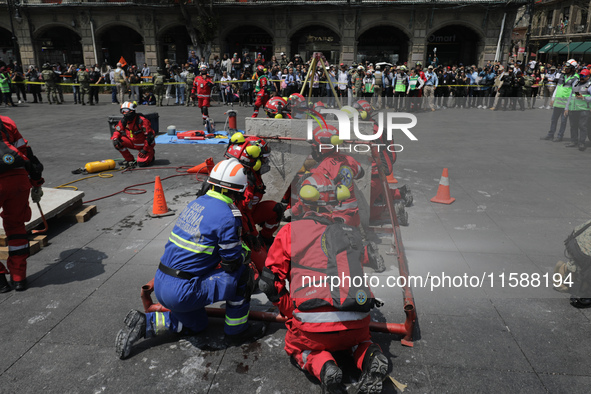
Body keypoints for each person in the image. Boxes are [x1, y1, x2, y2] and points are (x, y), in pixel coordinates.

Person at [115, 158, 265, 359]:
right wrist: (245, 251)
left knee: (199, 325)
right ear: (238, 190)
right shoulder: (228, 215)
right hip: (183, 291)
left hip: (162, 283)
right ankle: (237, 332)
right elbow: (231, 262)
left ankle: (145, 324)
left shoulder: (196, 203)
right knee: (242, 275)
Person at [260, 174, 389, 394]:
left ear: (303, 202)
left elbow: (269, 284)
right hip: (356, 320)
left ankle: (323, 366)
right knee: (358, 342)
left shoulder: (290, 232)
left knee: (296, 346)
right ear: (334, 204)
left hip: (313, 326)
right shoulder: (350, 233)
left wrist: (291, 312)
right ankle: (370, 355)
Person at [0, 116, 44, 292]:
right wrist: (36, 183)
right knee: (16, 226)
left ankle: (1, 281)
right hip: (18, 180)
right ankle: (19, 278)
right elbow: (26, 152)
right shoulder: (6, 121)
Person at [541, 60, 579, 142]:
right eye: (565, 67)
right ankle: (550, 134)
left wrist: (568, 106)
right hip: (558, 102)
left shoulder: (576, 78)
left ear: (572, 69)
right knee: (553, 120)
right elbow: (558, 87)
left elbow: (574, 91)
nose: (565, 69)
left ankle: (559, 136)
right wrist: (553, 99)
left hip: (566, 104)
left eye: (568, 68)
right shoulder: (562, 75)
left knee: (563, 121)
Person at [111, 102, 156, 167]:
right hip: (133, 142)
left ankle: (151, 154)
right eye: (123, 111)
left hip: (144, 145)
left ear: (132, 111)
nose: (125, 113)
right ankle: (129, 159)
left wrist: (145, 150)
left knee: (141, 164)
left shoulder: (142, 121)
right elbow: (117, 131)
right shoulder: (124, 121)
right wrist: (115, 138)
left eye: (126, 111)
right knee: (117, 142)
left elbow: (150, 137)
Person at [564, 68, 590, 151]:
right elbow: (571, 96)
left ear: (588, 76)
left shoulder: (589, 85)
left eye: (583, 76)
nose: (581, 77)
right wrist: (566, 108)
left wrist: (583, 98)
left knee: (582, 126)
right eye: (580, 75)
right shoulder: (576, 83)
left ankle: (581, 143)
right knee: (573, 125)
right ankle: (573, 141)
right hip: (573, 109)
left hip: (584, 109)